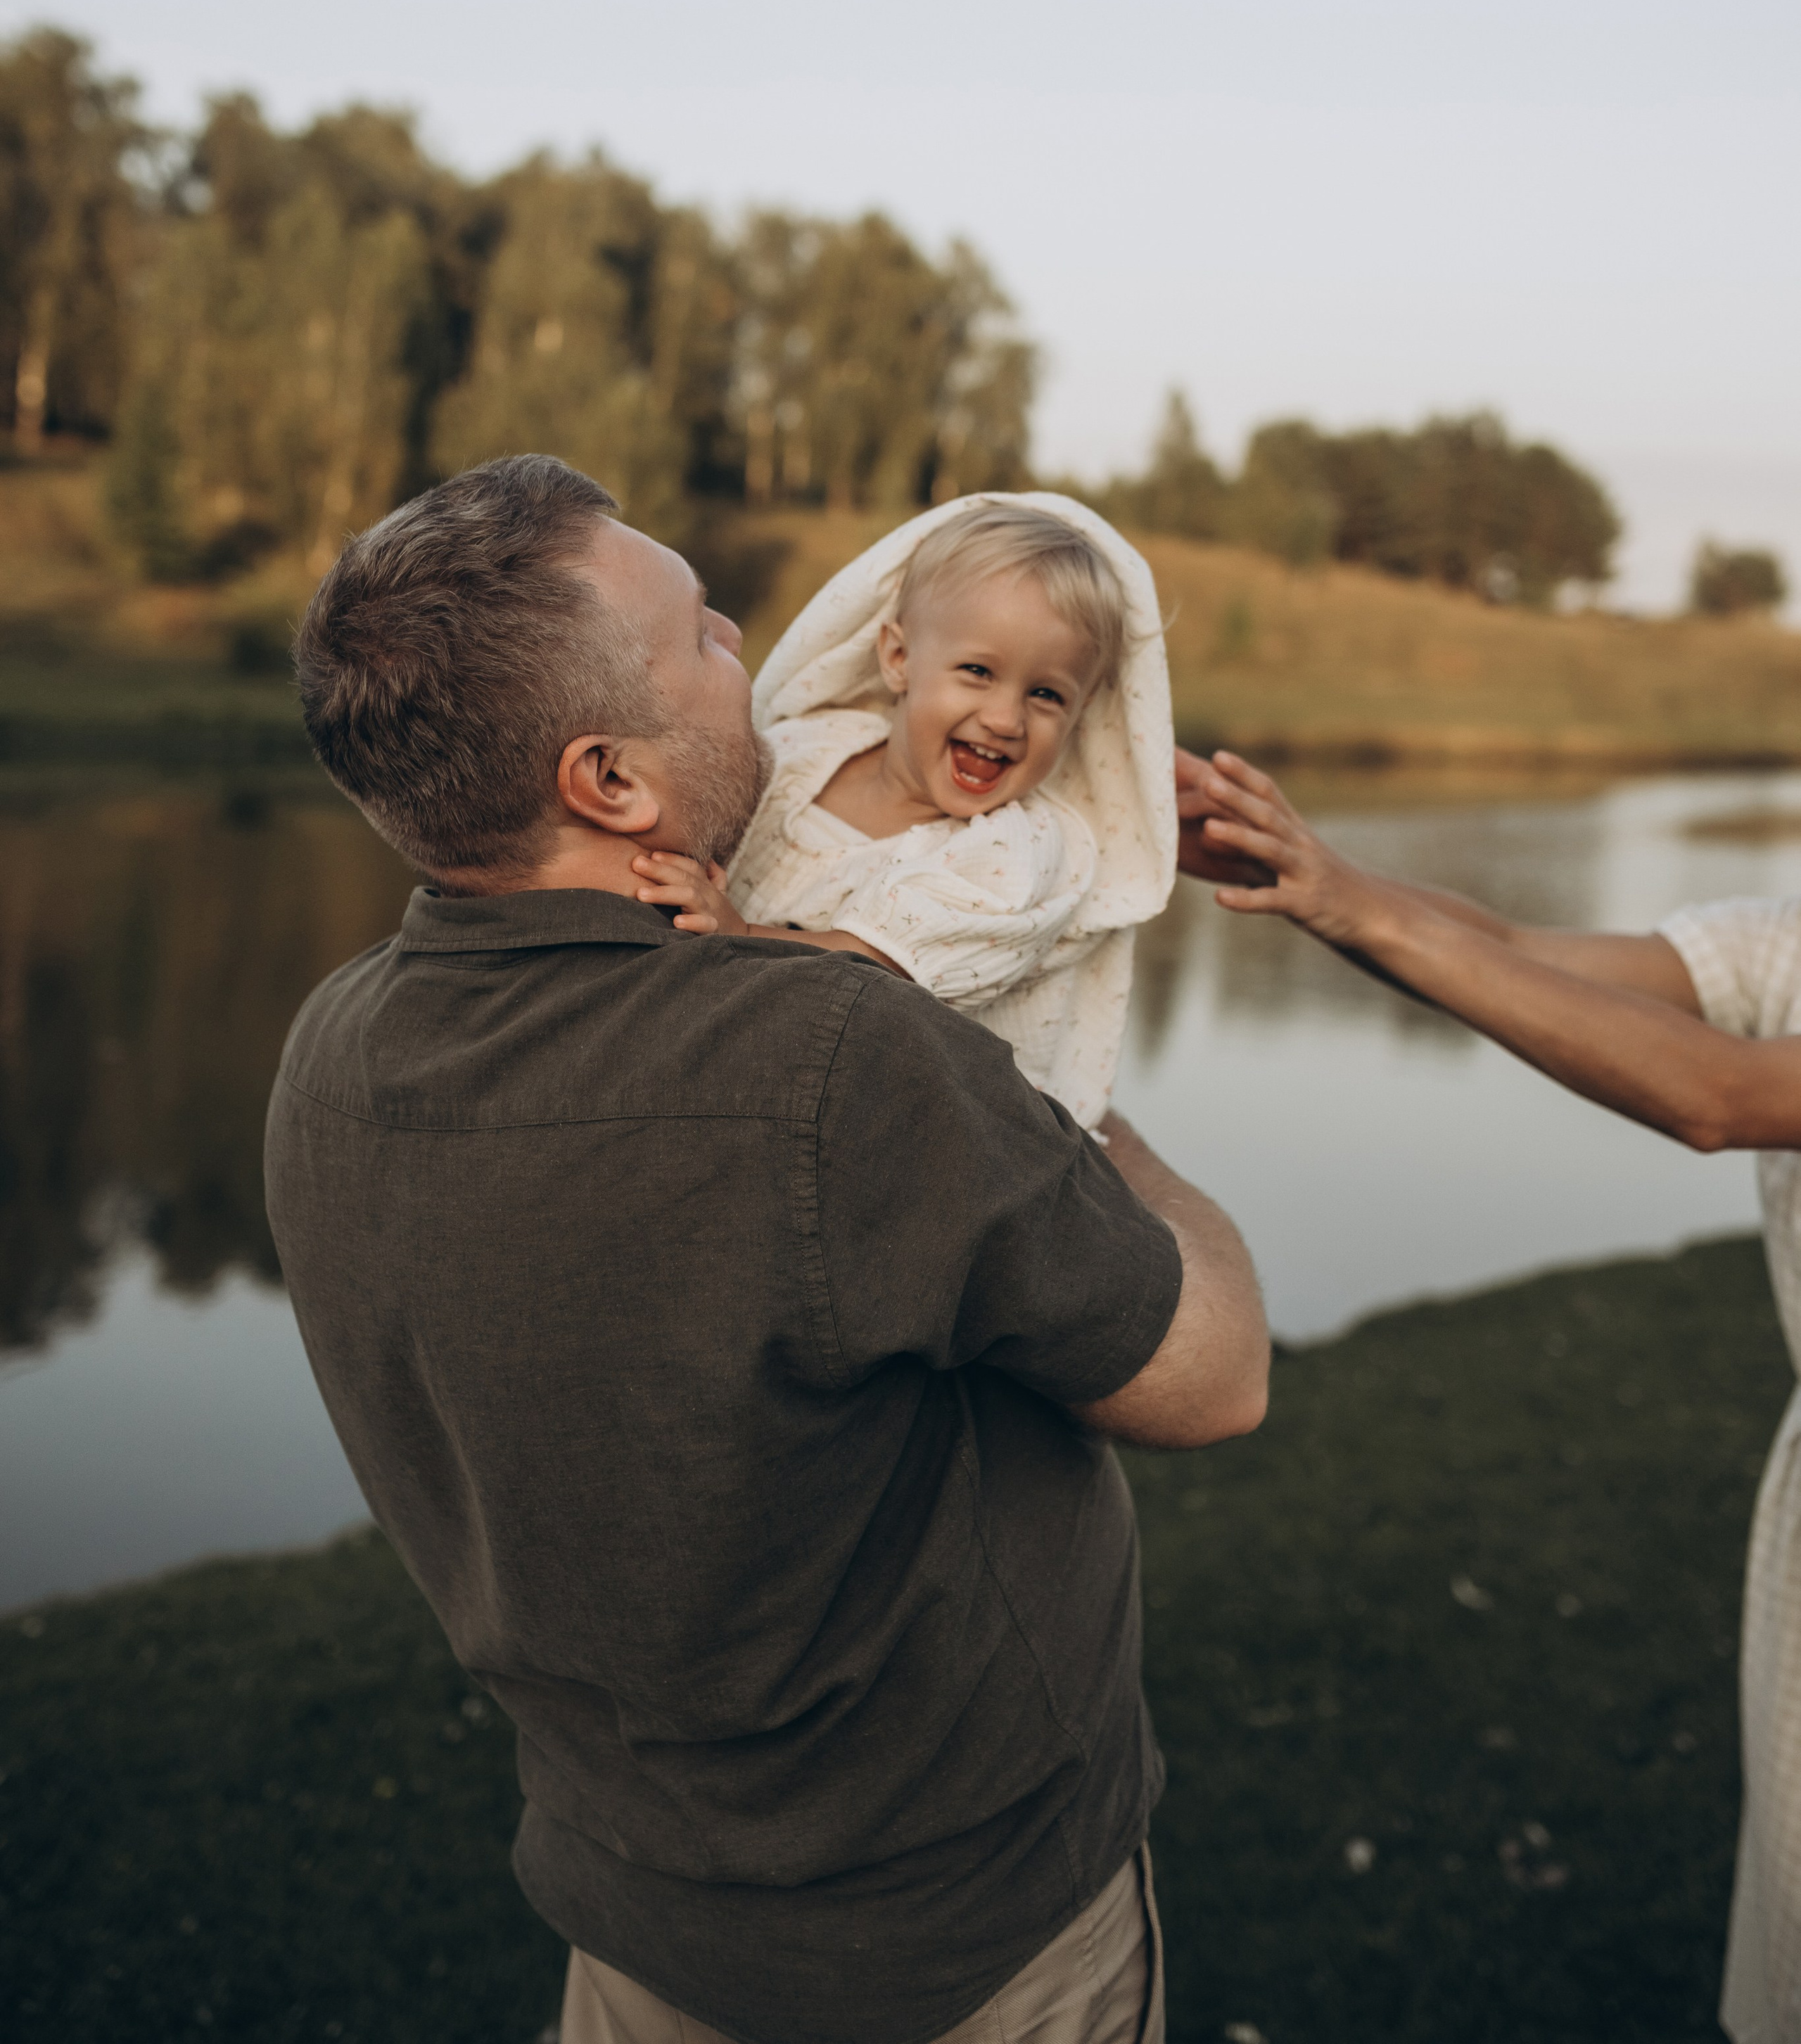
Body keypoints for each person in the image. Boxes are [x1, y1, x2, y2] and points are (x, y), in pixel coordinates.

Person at [265, 455, 1270, 2044]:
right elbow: (1213, 1377)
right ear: (608, 781)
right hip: (960, 1935)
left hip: (632, 1908)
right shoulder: (833, 1064)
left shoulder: (332, 1048)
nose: (747, 630)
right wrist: (1108, 1143)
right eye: (700, 640)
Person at [1175, 744, 1801, 2044]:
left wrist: (1351, 901)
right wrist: (1307, 873)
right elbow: (1517, 948)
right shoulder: (1784, 939)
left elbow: (1719, 1095)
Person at [630, 494, 1174, 1132]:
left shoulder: (1020, 849)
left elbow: (877, 970)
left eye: (1047, 694)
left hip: (922, 1136)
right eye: (977, 670)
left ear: (1081, 713)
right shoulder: (807, 750)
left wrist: (738, 932)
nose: (1005, 719)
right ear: (898, 658)